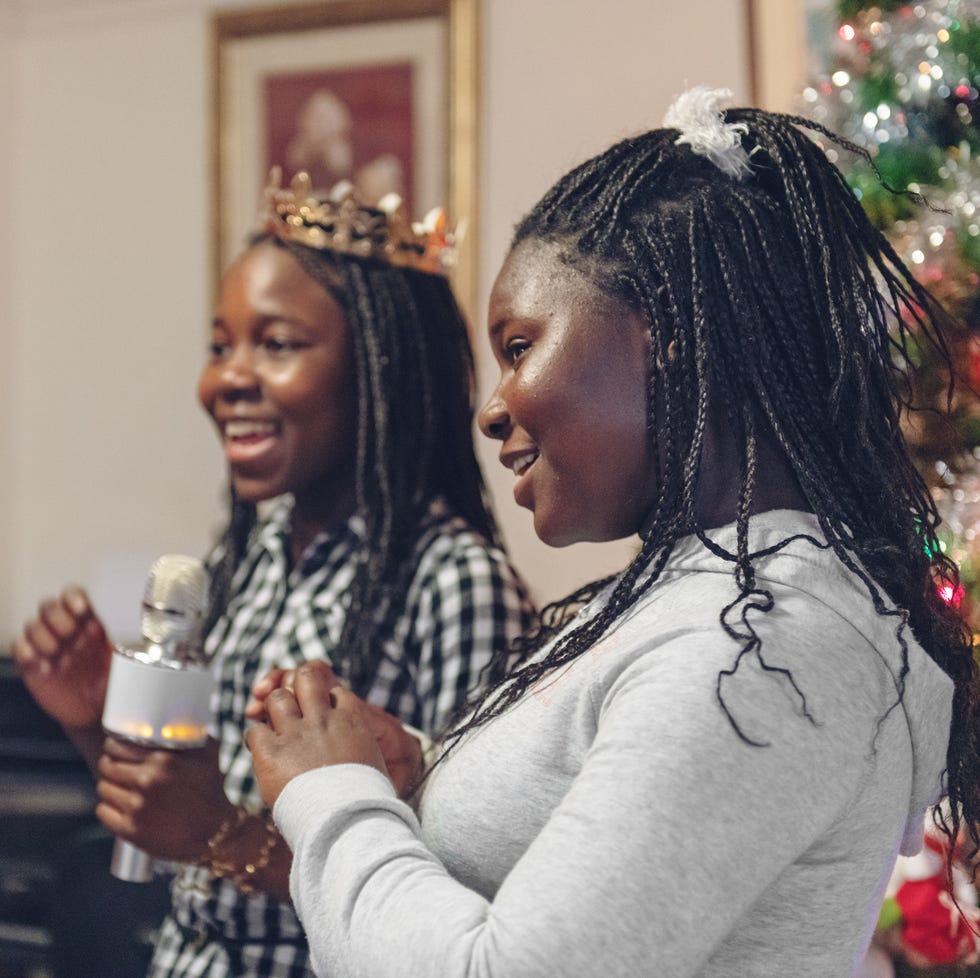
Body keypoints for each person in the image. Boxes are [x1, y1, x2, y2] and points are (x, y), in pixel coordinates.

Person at [243, 87, 980, 978]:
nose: (492, 407)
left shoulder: (763, 647)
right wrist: (420, 772)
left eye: (519, 347)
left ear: (664, 329)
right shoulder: (704, 605)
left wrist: (333, 795)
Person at [12, 168, 534, 978]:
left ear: (381, 372)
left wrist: (222, 832)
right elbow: (175, 831)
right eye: (220, 346)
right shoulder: (252, 554)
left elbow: (463, 904)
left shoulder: (455, 584)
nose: (223, 381)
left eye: (277, 344)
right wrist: (92, 717)